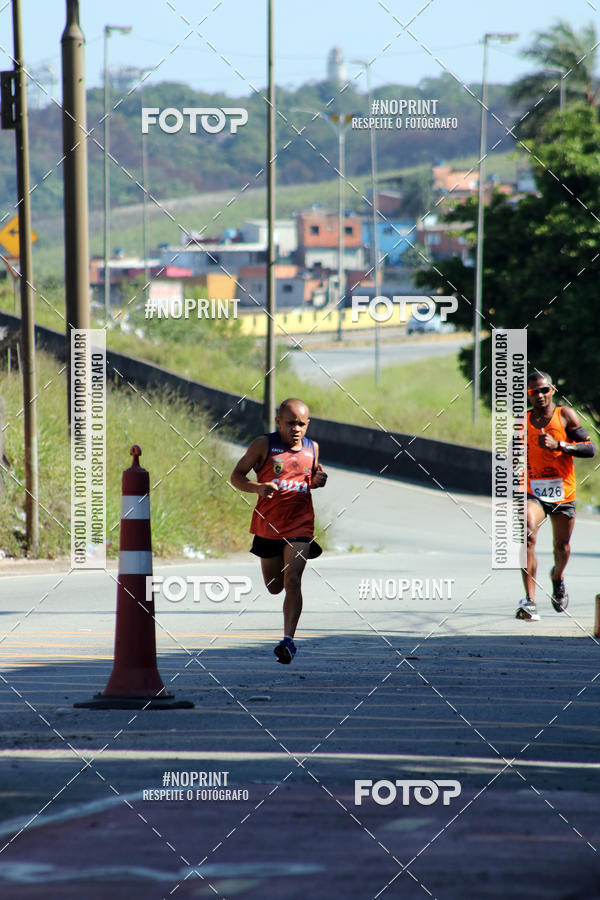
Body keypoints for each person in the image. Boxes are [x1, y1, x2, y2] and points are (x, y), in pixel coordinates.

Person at [230, 398, 327, 662]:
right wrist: (257, 488)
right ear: (278, 422)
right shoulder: (263, 445)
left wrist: (318, 480)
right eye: (290, 423)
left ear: (308, 425)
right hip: (268, 525)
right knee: (274, 587)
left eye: (301, 424)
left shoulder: (312, 448)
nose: (296, 429)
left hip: (300, 525)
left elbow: (314, 475)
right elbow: (236, 476)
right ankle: (282, 576)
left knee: (293, 580)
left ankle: (288, 641)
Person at [517, 371, 595, 621]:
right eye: (533, 392)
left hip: (563, 492)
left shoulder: (565, 415)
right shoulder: (522, 421)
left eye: (544, 390)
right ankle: (530, 601)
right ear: (528, 395)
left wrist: (560, 446)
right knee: (527, 534)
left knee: (561, 547)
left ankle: (557, 576)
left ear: (552, 390)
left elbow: (590, 448)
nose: (539, 395)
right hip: (534, 491)